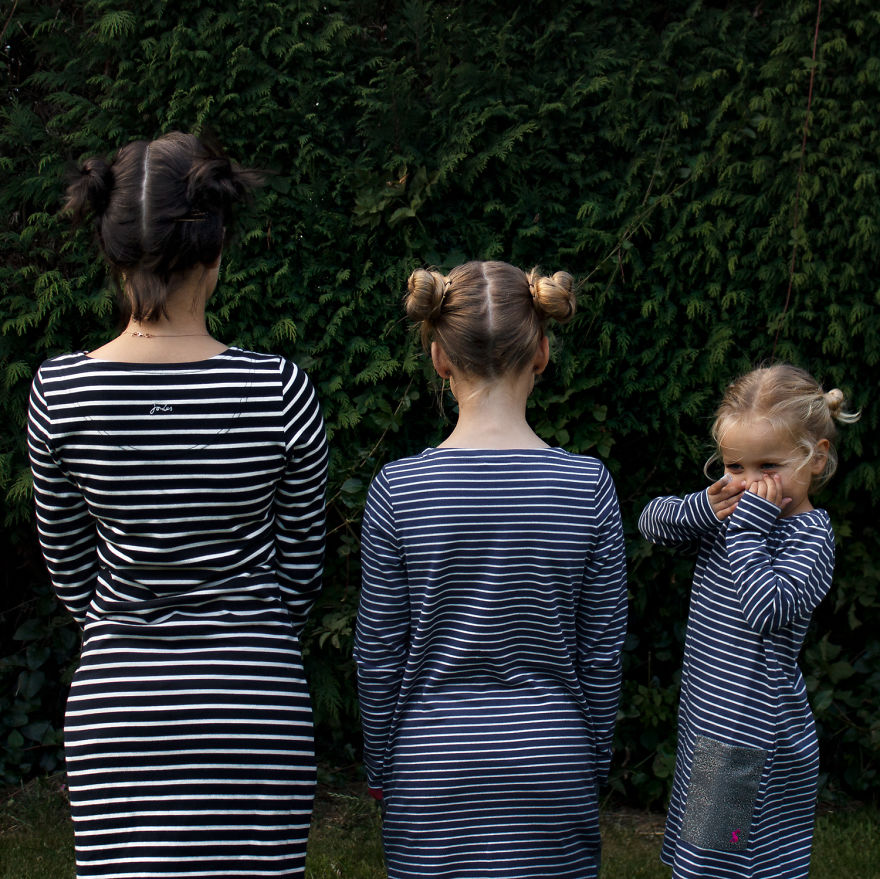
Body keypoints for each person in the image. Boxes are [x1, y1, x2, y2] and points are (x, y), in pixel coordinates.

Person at [27, 132, 328, 879]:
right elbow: (301, 566)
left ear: (110, 248)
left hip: (120, 707)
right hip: (253, 702)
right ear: (216, 245)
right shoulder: (279, 390)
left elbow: (70, 569)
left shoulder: (59, 393)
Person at [353, 260, 628, 879]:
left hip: (431, 765)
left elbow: (378, 653)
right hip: (552, 760)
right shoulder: (588, 487)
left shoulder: (399, 490)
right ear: (542, 352)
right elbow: (602, 650)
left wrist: (380, 769)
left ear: (438, 358)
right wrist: (592, 759)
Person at [638, 363, 859, 879]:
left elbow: (767, 609)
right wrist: (703, 507)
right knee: (711, 847)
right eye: (735, 465)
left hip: (747, 731)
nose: (748, 482)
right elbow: (652, 524)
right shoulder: (727, 515)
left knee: (725, 856)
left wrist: (747, 530)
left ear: (816, 458)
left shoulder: (810, 538)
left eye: (768, 465)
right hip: (709, 720)